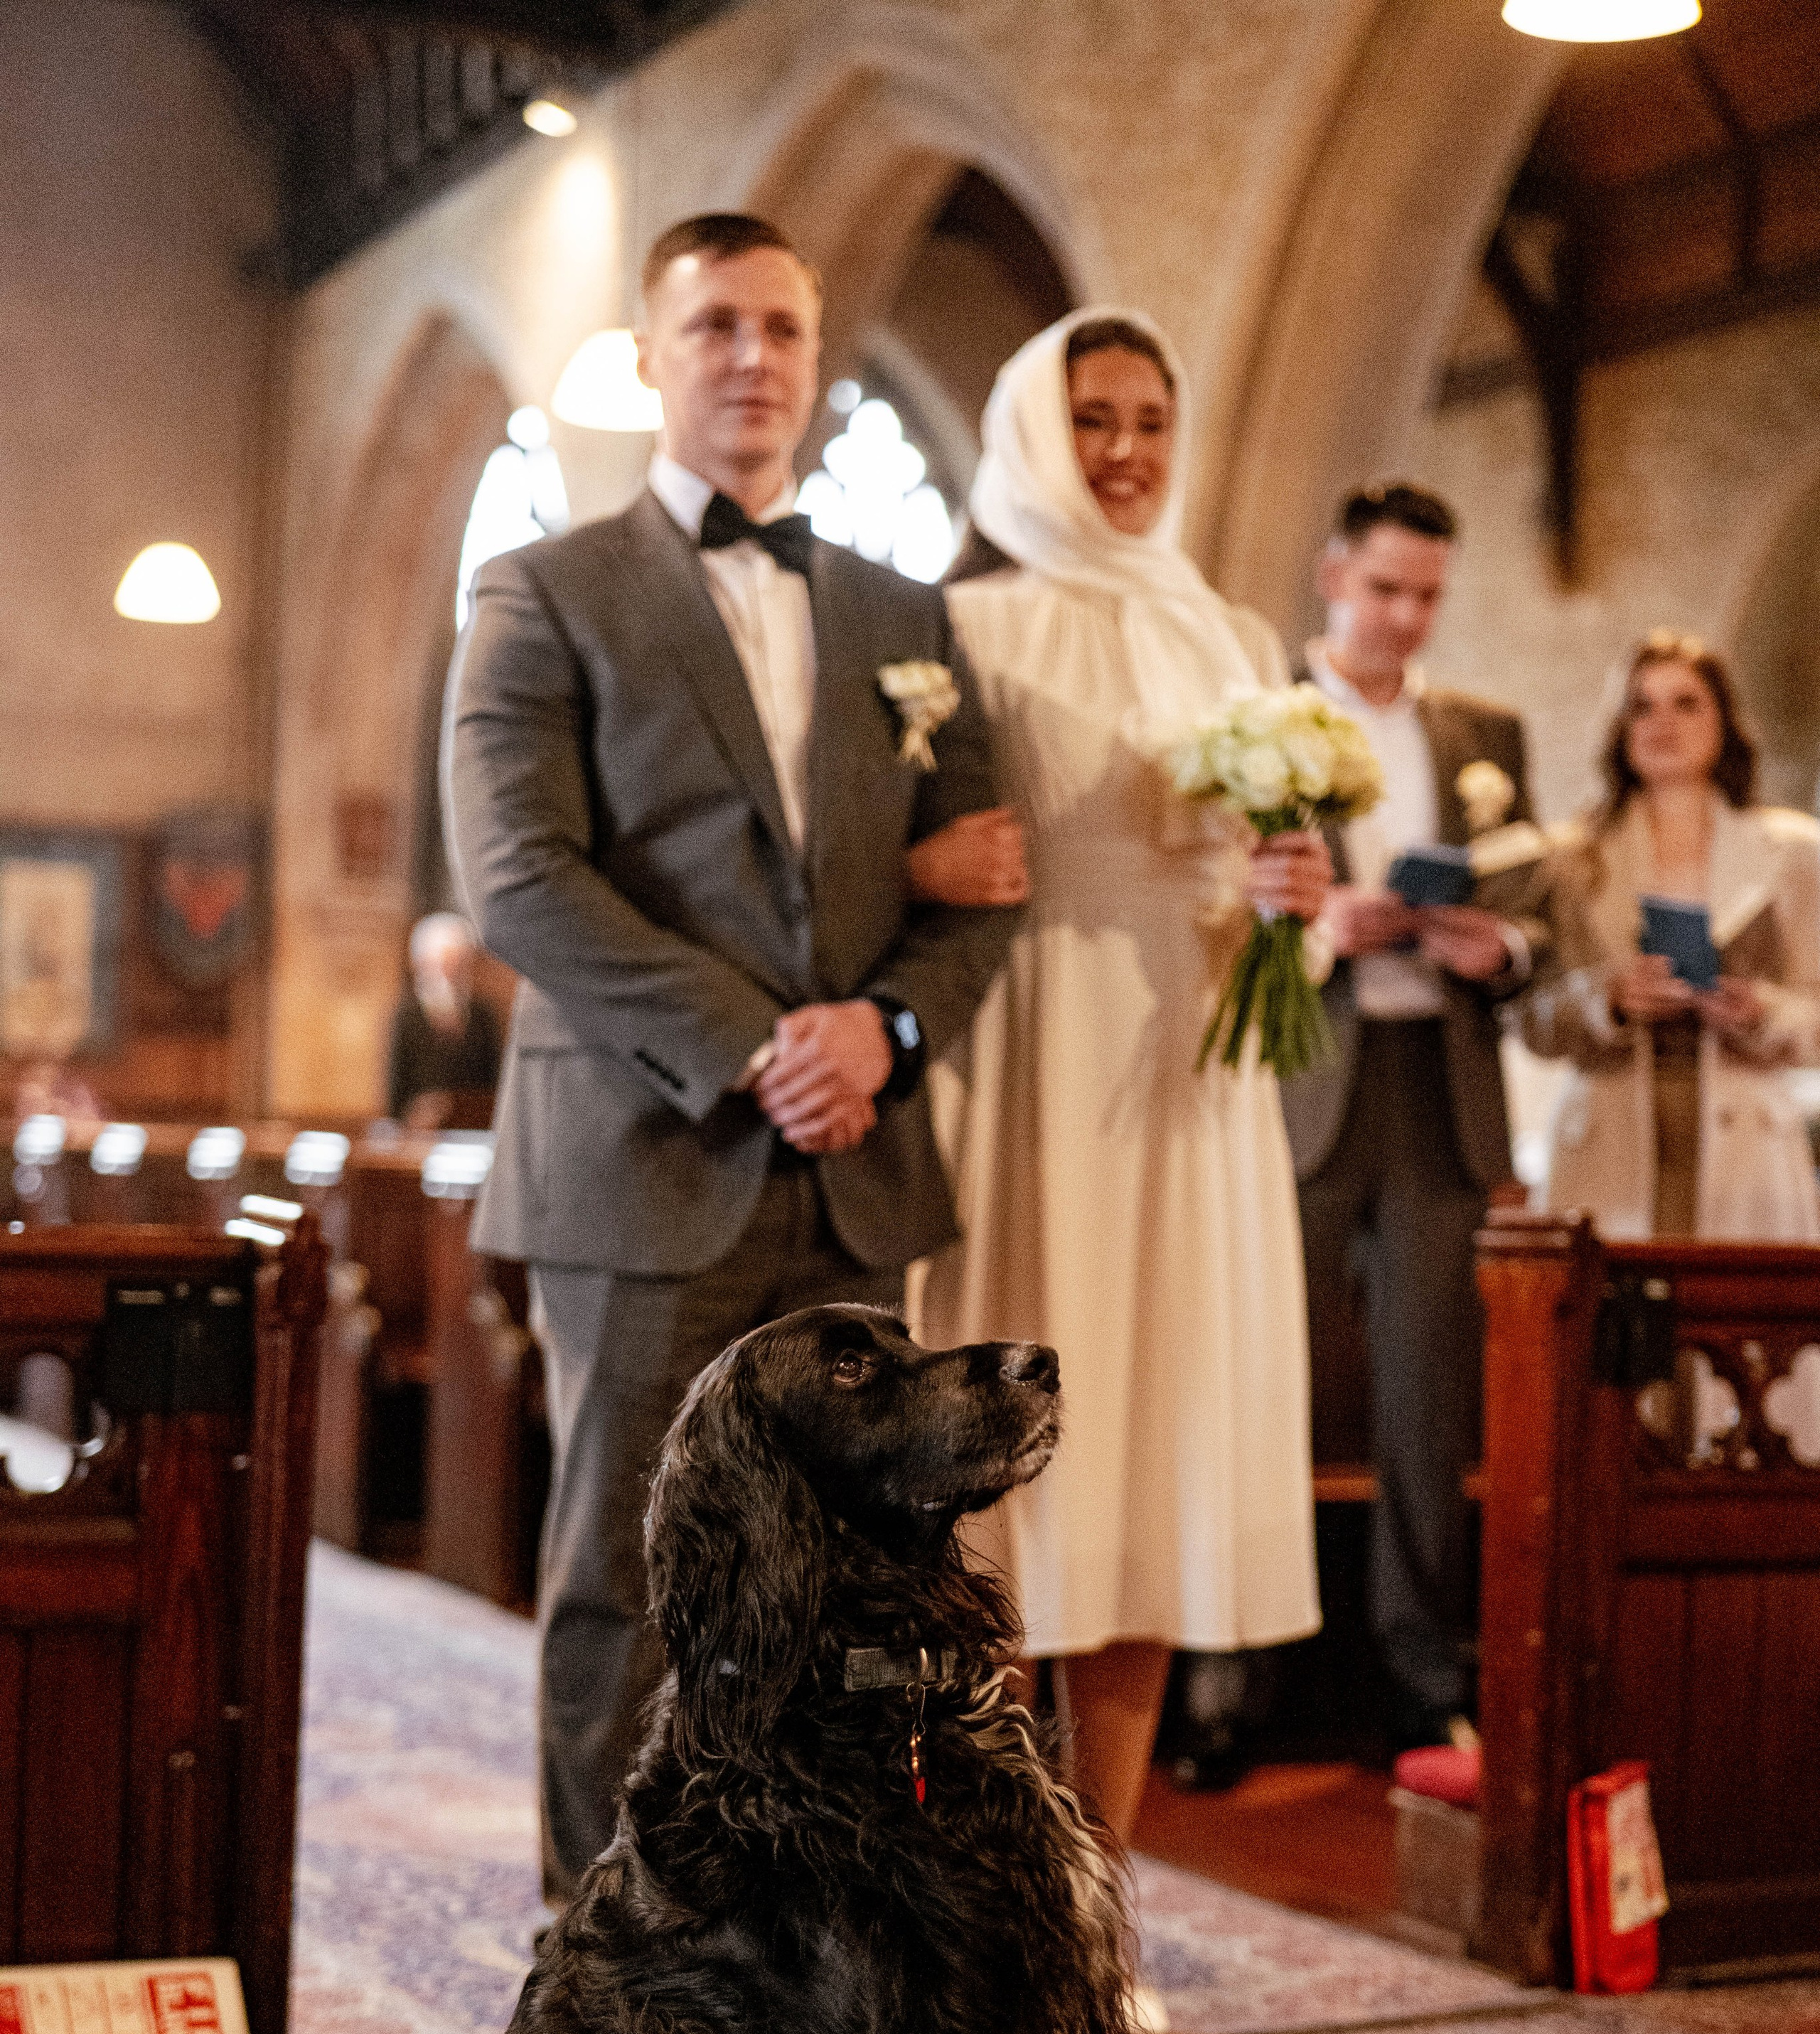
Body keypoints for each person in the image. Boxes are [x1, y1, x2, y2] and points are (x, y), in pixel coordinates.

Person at [446, 213, 1024, 1895]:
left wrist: (885, 1031)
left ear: (817, 356)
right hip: (647, 1154)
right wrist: (758, 1044)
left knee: (858, 1585)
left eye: (781, 327)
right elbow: (517, 877)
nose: (751, 358)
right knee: (633, 1572)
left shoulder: (903, 613)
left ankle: (821, 1941)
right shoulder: (544, 589)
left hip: (854, 1167)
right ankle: (611, 1951)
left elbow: (984, 875)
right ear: (651, 358)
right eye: (713, 326)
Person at [911, 310, 1327, 1856]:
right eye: (1093, 419)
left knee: (1158, 1470)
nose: (1127, 450)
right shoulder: (962, 624)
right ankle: (986, 1887)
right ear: (1033, 428)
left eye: (1150, 421)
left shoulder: (1234, 638)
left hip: (1190, 1072)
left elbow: (1263, 878)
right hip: (1030, 1056)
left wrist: (1294, 899)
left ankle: (1095, 1895)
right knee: (1015, 1476)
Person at [1283, 481, 1552, 1751]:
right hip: (1300, 1081)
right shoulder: (1266, 717)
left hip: (1441, 1088)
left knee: (1429, 1400)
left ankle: (1420, 1673)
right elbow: (1211, 906)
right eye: (1386, 588)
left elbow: (1535, 911)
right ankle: (1235, 1681)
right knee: (1263, 1379)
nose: (1406, 616)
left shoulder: (1483, 733)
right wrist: (1318, 926)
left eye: (1429, 595)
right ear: (1334, 573)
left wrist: (1499, 947)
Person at [1521, 631, 1820, 1238]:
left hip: (1747, 1143)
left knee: (1734, 1298)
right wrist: (1608, 999)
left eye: (1686, 703)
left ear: (1724, 722)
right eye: (1643, 706)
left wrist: (1761, 1010)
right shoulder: (1570, 858)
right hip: (1608, 1138)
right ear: (1621, 728)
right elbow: (1529, 1015)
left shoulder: (1793, 854)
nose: (1663, 723)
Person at [386, 911, 503, 1128]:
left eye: (458, 961)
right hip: (421, 1134)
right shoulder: (407, 1016)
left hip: (473, 1129)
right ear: (422, 963)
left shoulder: (483, 1014)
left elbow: (495, 1081)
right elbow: (395, 1090)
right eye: (444, 962)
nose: (451, 971)